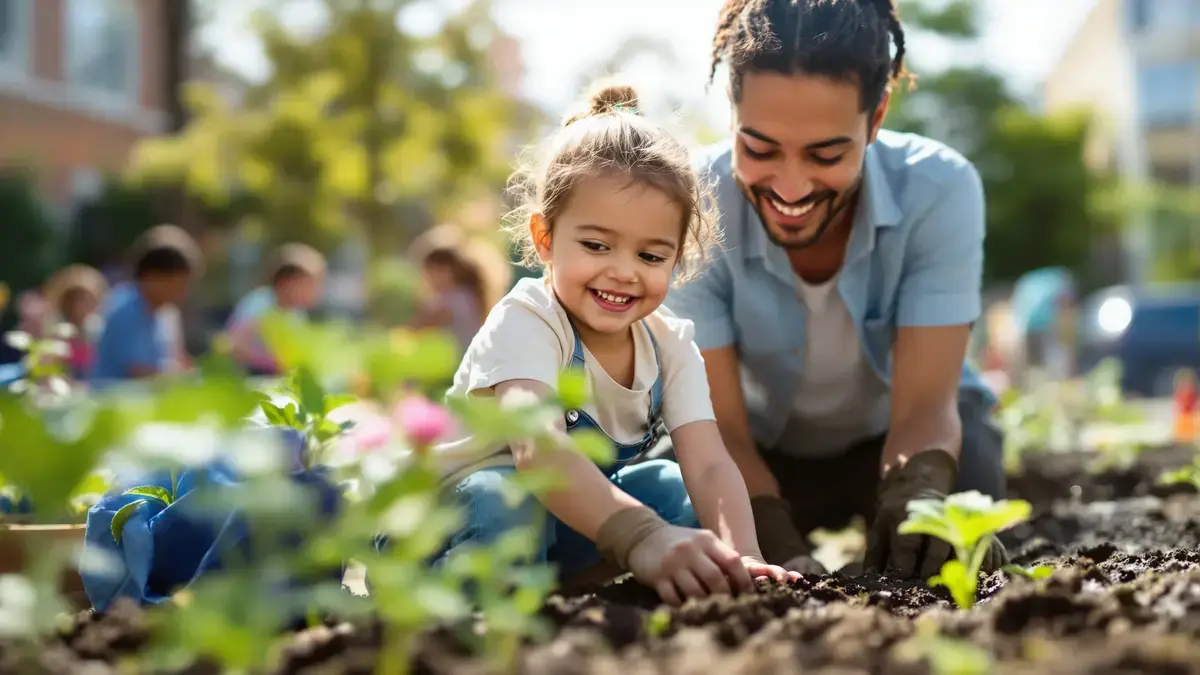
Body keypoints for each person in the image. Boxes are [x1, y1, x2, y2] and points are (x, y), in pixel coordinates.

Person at [663, 0, 1008, 581]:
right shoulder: (692, 202)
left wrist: (918, 493)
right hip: (753, 448)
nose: (791, 187)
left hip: (892, 437)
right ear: (731, 111)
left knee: (964, 506)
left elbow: (927, 406)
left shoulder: (940, 189)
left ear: (875, 120)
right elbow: (716, 427)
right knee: (680, 498)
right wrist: (770, 540)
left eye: (827, 154)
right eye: (760, 149)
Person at [431, 81, 798, 606]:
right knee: (503, 502)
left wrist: (743, 552)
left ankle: (562, 591)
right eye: (597, 245)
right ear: (545, 238)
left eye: (651, 257)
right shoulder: (527, 320)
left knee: (673, 490)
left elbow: (710, 464)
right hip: (457, 522)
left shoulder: (669, 345)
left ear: (678, 258)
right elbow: (540, 452)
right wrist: (642, 538)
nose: (623, 272)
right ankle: (466, 614)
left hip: (567, 522)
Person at [92, 225, 203, 384]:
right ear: (152, 277)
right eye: (177, 284)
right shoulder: (124, 311)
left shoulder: (168, 313)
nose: (183, 292)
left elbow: (179, 361)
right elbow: (139, 374)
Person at [226, 243, 327, 376]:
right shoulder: (259, 303)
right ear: (286, 281)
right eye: (308, 284)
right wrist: (270, 362)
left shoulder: (296, 314)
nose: (313, 291)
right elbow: (235, 347)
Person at [42, 264, 108, 380]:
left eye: (87, 300)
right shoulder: (58, 333)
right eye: (76, 300)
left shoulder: (99, 331)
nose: (80, 306)